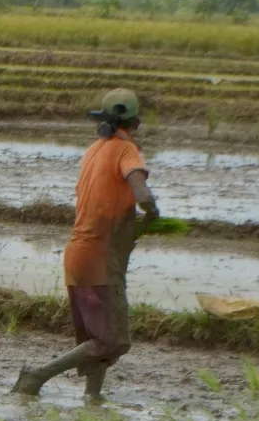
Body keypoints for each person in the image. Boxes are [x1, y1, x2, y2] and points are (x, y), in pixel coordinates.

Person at [14, 89, 161, 404]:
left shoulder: (94, 150)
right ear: (134, 122)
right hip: (100, 257)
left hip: (78, 254)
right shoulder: (125, 150)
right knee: (113, 341)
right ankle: (38, 374)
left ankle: (92, 396)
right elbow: (143, 193)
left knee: (98, 339)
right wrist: (152, 213)